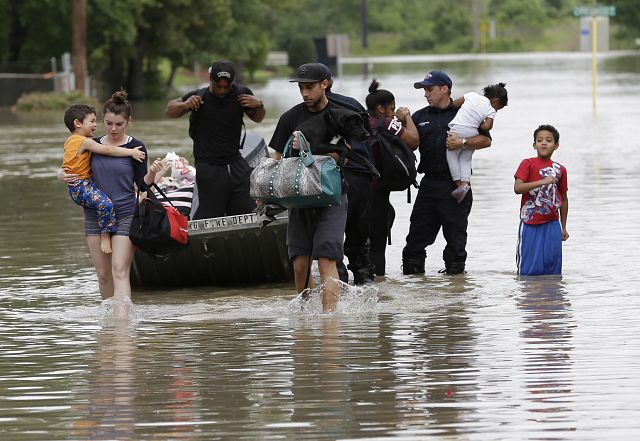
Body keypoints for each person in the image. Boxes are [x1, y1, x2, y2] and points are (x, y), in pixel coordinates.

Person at [59, 90, 164, 305]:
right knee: (103, 274)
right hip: (95, 215)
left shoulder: (136, 147)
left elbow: (143, 185)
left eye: (119, 124)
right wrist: (60, 174)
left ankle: (122, 324)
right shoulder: (92, 143)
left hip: (126, 213)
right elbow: (71, 163)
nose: (113, 129)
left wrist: (153, 172)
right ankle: (109, 327)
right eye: (108, 123)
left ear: (128, 121)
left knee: (119, 269)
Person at [268, 62, 347, 312]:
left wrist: (313, 157)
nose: (305, 93)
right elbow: (276, 159)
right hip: (299, 199)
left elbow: (349, 155)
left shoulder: (341, 115)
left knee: (326, 257)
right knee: (300, 263)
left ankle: (329, 319)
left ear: (325, 84)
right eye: (301, 88)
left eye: (310, 87)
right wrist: (269, 192)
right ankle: (306, 314)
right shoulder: (290, 117)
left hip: (332, 196)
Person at [402, 70, 492, 275]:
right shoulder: (419, 116)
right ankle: (413, 293)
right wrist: (399, 121)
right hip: (428, 186)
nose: (426, 94)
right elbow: (408, 144)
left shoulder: (465, 112)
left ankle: (455, 292)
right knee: (414, 242)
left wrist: (463, 142)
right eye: (425, 90)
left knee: (456, 244)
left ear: (445, 89)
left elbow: (486, 140)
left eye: (430, 89)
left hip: (456, 185)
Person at [165, 60, 265, 219]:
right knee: (211, 215)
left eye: (227, 86)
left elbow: (259, 118)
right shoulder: (199, 97)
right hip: (208, 165)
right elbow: (170, 110)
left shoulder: (241, 93)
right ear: (211, 80)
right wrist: (185, 105)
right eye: (219, 86)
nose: (223, 90)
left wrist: (259, 105)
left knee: (246, 212)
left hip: (234, 162)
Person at [62, 104, 146, 254]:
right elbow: (108, 149)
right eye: (92, 121)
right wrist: (130, 152)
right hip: (82, 186)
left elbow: (68, 163)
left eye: (96, 121)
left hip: (78, 186)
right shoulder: (86, 142)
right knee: (106, 204)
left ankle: (106, 232)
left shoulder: (70, 141)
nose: (95, 125)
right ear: (77, 123)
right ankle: (105, 234)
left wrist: (61, 174)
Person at [320, 64, 377, 285]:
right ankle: (365, 287)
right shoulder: (351, 104)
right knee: (359, 240)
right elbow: (367, 136)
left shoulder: (306, 113)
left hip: (335, 179)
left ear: (322, 85)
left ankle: (340, 289)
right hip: (361, 176)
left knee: (332, 237)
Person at [365, 79, 419, 276]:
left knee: (361, 244)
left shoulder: (359, 122)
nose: (394, 112)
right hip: (378, 191)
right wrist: (407, 117)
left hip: (357, 190)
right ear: (381, 108)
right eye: (392, 108)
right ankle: (377, 286)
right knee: (377, 247)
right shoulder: (386, 123)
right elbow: (413, 141)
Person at [514, 124, 569, 276]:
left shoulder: (560, 169)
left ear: (556, 145)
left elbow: (563, 198)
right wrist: (542, 181)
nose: (544, 143)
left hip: (552, 224)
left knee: (553, 270)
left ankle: (551, 299)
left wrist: (563, 227)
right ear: (534, 145)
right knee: (529, 271)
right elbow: (518, 188)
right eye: (539, 140)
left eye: (549, 140)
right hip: (530, 223)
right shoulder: (527, 163)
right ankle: (529, 299)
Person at [448, 82, 508, 202]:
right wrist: (481, 123)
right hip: (472, 133)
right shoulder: (491, 109)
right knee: (465, 159)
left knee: (451, 156)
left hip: (457, 129)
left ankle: (458, 184)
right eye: (499, 108)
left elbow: (454, 104)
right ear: (496, 101)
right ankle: (465, 184)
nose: (497, 110)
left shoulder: (472, 95)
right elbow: (487, 127)